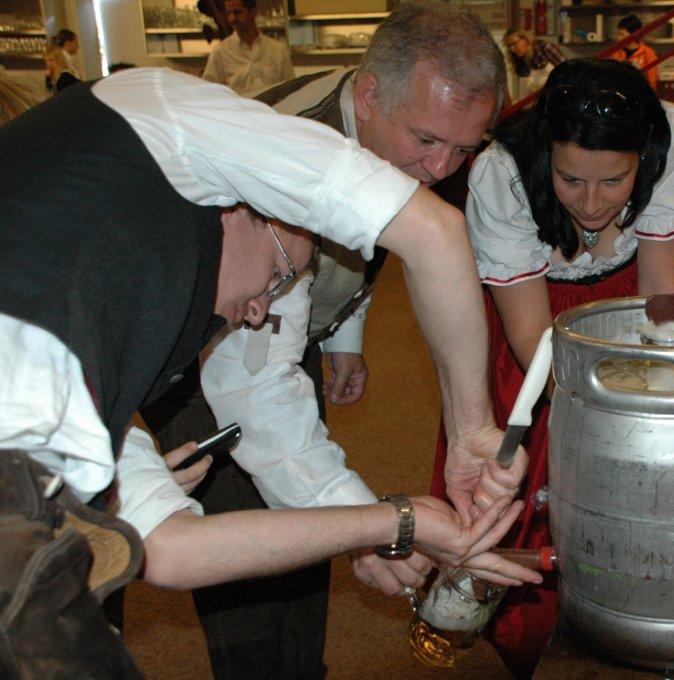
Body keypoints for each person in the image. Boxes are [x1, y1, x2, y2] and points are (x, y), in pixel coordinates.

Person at [0, 66, 537, 677]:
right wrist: (470, 436)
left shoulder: (120, 311)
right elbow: (434, 229)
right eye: (279, 274)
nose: (259, 310)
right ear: (237, 208)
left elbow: (172, 549)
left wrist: (382, 525)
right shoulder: (167, 118)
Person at [139, 4, 510, 676]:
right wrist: (374, 524)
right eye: (427, 140)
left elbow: (358, 242)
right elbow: (255, 386)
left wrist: (345, 326)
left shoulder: (385, 119)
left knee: (307, 546)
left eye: (464, 149)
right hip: (196, 344)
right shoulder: (280, 164)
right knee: (239, 549)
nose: (440, 168)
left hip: (281, 322)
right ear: (367, 96)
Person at [430, 58, 674, 678]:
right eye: (569, 179)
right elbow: (532, 336)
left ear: (644, 157)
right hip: (534, 336)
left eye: (614, 181)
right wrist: (599, 418)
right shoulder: (503, 174)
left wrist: (653, 398)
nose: (590, 203)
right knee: (524, 493)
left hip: (624, 310)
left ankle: (629, 626)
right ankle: (525, 640)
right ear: (546, 157)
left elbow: (661, 301)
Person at [202, 0, 294, 95]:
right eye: (229, 13)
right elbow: (209, 92)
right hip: (238, 104)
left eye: (237, 12)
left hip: (272, 104)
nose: (232, 18)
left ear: (253, 12)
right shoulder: (221, 52)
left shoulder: (277, 50)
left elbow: (291, 89)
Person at [504, 28, 565, 98]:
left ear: (525, 39)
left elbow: (568, 71)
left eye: (514, 43)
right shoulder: (519, 62)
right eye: (509, 46)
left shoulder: (544, 48)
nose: (512, 49)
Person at [610, 14, 660, 92]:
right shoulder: (616, 52)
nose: (619, 38)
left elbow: (652, 80)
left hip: (640, 93)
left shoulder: (648, 52)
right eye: (618, 34)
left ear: (633, 34)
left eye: (622, 34)